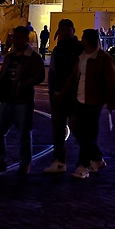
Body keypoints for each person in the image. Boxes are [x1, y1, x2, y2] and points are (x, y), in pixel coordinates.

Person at [59, 28, 115, 179]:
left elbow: (112, 82)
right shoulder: (83, 56)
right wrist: (63, 93)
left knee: (88, 134)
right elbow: (74, 77)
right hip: (80, 99)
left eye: (83, 38)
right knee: (77, 128)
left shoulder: (104, 58)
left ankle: (83, 165)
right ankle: (97, 159)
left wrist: (111, 101)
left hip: (94, 100)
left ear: (87, 40)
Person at [0, 27, 45, 175]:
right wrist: (0, 81)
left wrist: (24, 84)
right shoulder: (9, 56)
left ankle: (24, 164)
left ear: (26, 39)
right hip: (6, 99)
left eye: (19, 38)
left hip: (23, 100)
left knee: (24, 134)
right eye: (14, 37)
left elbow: (39, 76)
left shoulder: (33, 57)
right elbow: (4, 73)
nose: (16, 41)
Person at [42, 19, 83, 175]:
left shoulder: (79, 48)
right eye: (62, 30)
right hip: (58, 94)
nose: (65, 32)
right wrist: (52, 91)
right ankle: (59, 161)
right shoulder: (57, 50)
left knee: (77, 127)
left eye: (67, 29)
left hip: (75, 95)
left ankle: (88, 158)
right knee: (58, 130)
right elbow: (52, 72)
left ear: (73, 30)